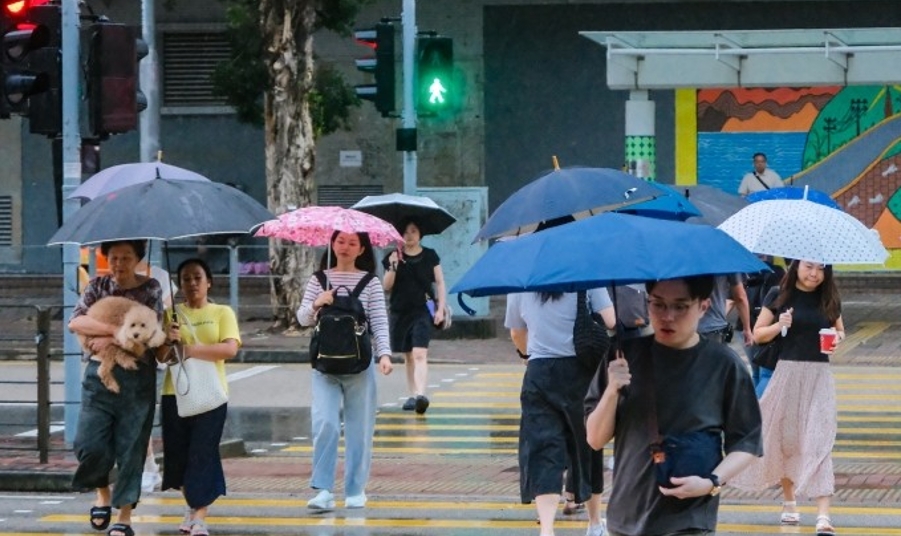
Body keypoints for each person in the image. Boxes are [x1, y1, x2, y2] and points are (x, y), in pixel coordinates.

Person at [585, 275, 762, 536]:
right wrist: (612, 390)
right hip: (626, 518)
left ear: (703, 306)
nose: (667, 316)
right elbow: (595, 439)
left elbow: (749, 441)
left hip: (688, 520)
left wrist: (710, 483)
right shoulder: (622, 357)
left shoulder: (723, 364)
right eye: (658, 304)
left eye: (680, 306)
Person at [731, 260, 845, 535]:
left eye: (821, 268)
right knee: (787, 439)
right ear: (797, 266)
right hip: (787, 373)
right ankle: (789, 501)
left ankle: (823, 516)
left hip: (819, 378)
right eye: (809, 267)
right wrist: (779, 324)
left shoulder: (829, 297)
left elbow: (840, 329)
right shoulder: (779, 295)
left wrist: (837, 337)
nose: (814, 273)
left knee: (820, 441)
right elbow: (758, 335)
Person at [69, 240, 173, 536]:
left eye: (126, 257)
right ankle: (102, 492)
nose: (119, 263)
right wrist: (115, 332)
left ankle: (124, 516)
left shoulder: (151, 288)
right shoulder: (98, 286)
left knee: (132, 447)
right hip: (98, 376)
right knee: (89, 444)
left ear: (139, 259)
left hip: (138, 377)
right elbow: (76, 322)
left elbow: (146, 333)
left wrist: (107, 339)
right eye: (113, 257)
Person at [296, 231, 394, 510]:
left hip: (360, 365)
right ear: (332, 244)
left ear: (362, 248)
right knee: (324, 423)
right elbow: (302, 318)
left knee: (359, 428)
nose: (345, 247)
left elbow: (379, 321)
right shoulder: (318, 280)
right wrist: (318, 302)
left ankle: (355, 490)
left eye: (353, 243)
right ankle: (323, 489)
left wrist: (385, 355)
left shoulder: (371, 282)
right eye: (340, 241)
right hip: (324, 365)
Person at [505, 288, 615, 536]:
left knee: (545, 449)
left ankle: (547, 528)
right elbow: (611, 320)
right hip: (581, 372)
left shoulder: (523, 281)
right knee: (588, 446)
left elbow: (516, 332)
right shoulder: (585, 275)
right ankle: (595, 523)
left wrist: (527, 355)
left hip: (539, 372)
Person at [160, 258, 241, 536]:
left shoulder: (222, 312)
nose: (192, 283)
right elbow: (161, 357)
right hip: (175, 394)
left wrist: (192, 350)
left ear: (209, 281)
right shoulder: (171, 314)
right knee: (179, 457)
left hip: (211, 395)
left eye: (197, 277)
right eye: (185, 279)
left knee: (202, 454)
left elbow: (230, 349)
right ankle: (192, 506)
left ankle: (200, 517)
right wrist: (167, 340)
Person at [381, 217, 446, 414]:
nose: (409, 235)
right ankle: (412, 394)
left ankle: (420, 395)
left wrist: (440, 308)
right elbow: (387, 286)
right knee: (408, 355)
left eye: (413, 231)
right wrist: (392, 266)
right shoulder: (393, 256)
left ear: (420, 235)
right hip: (400, 311)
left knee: (420, 353)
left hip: (422, 310)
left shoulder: (430, 255)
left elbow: (440, 283)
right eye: (405, 232)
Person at [697, 274, 751, 347]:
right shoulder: (727, 263)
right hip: (713, 326)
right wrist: (747, 328)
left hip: (685, 327)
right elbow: (740, 297)